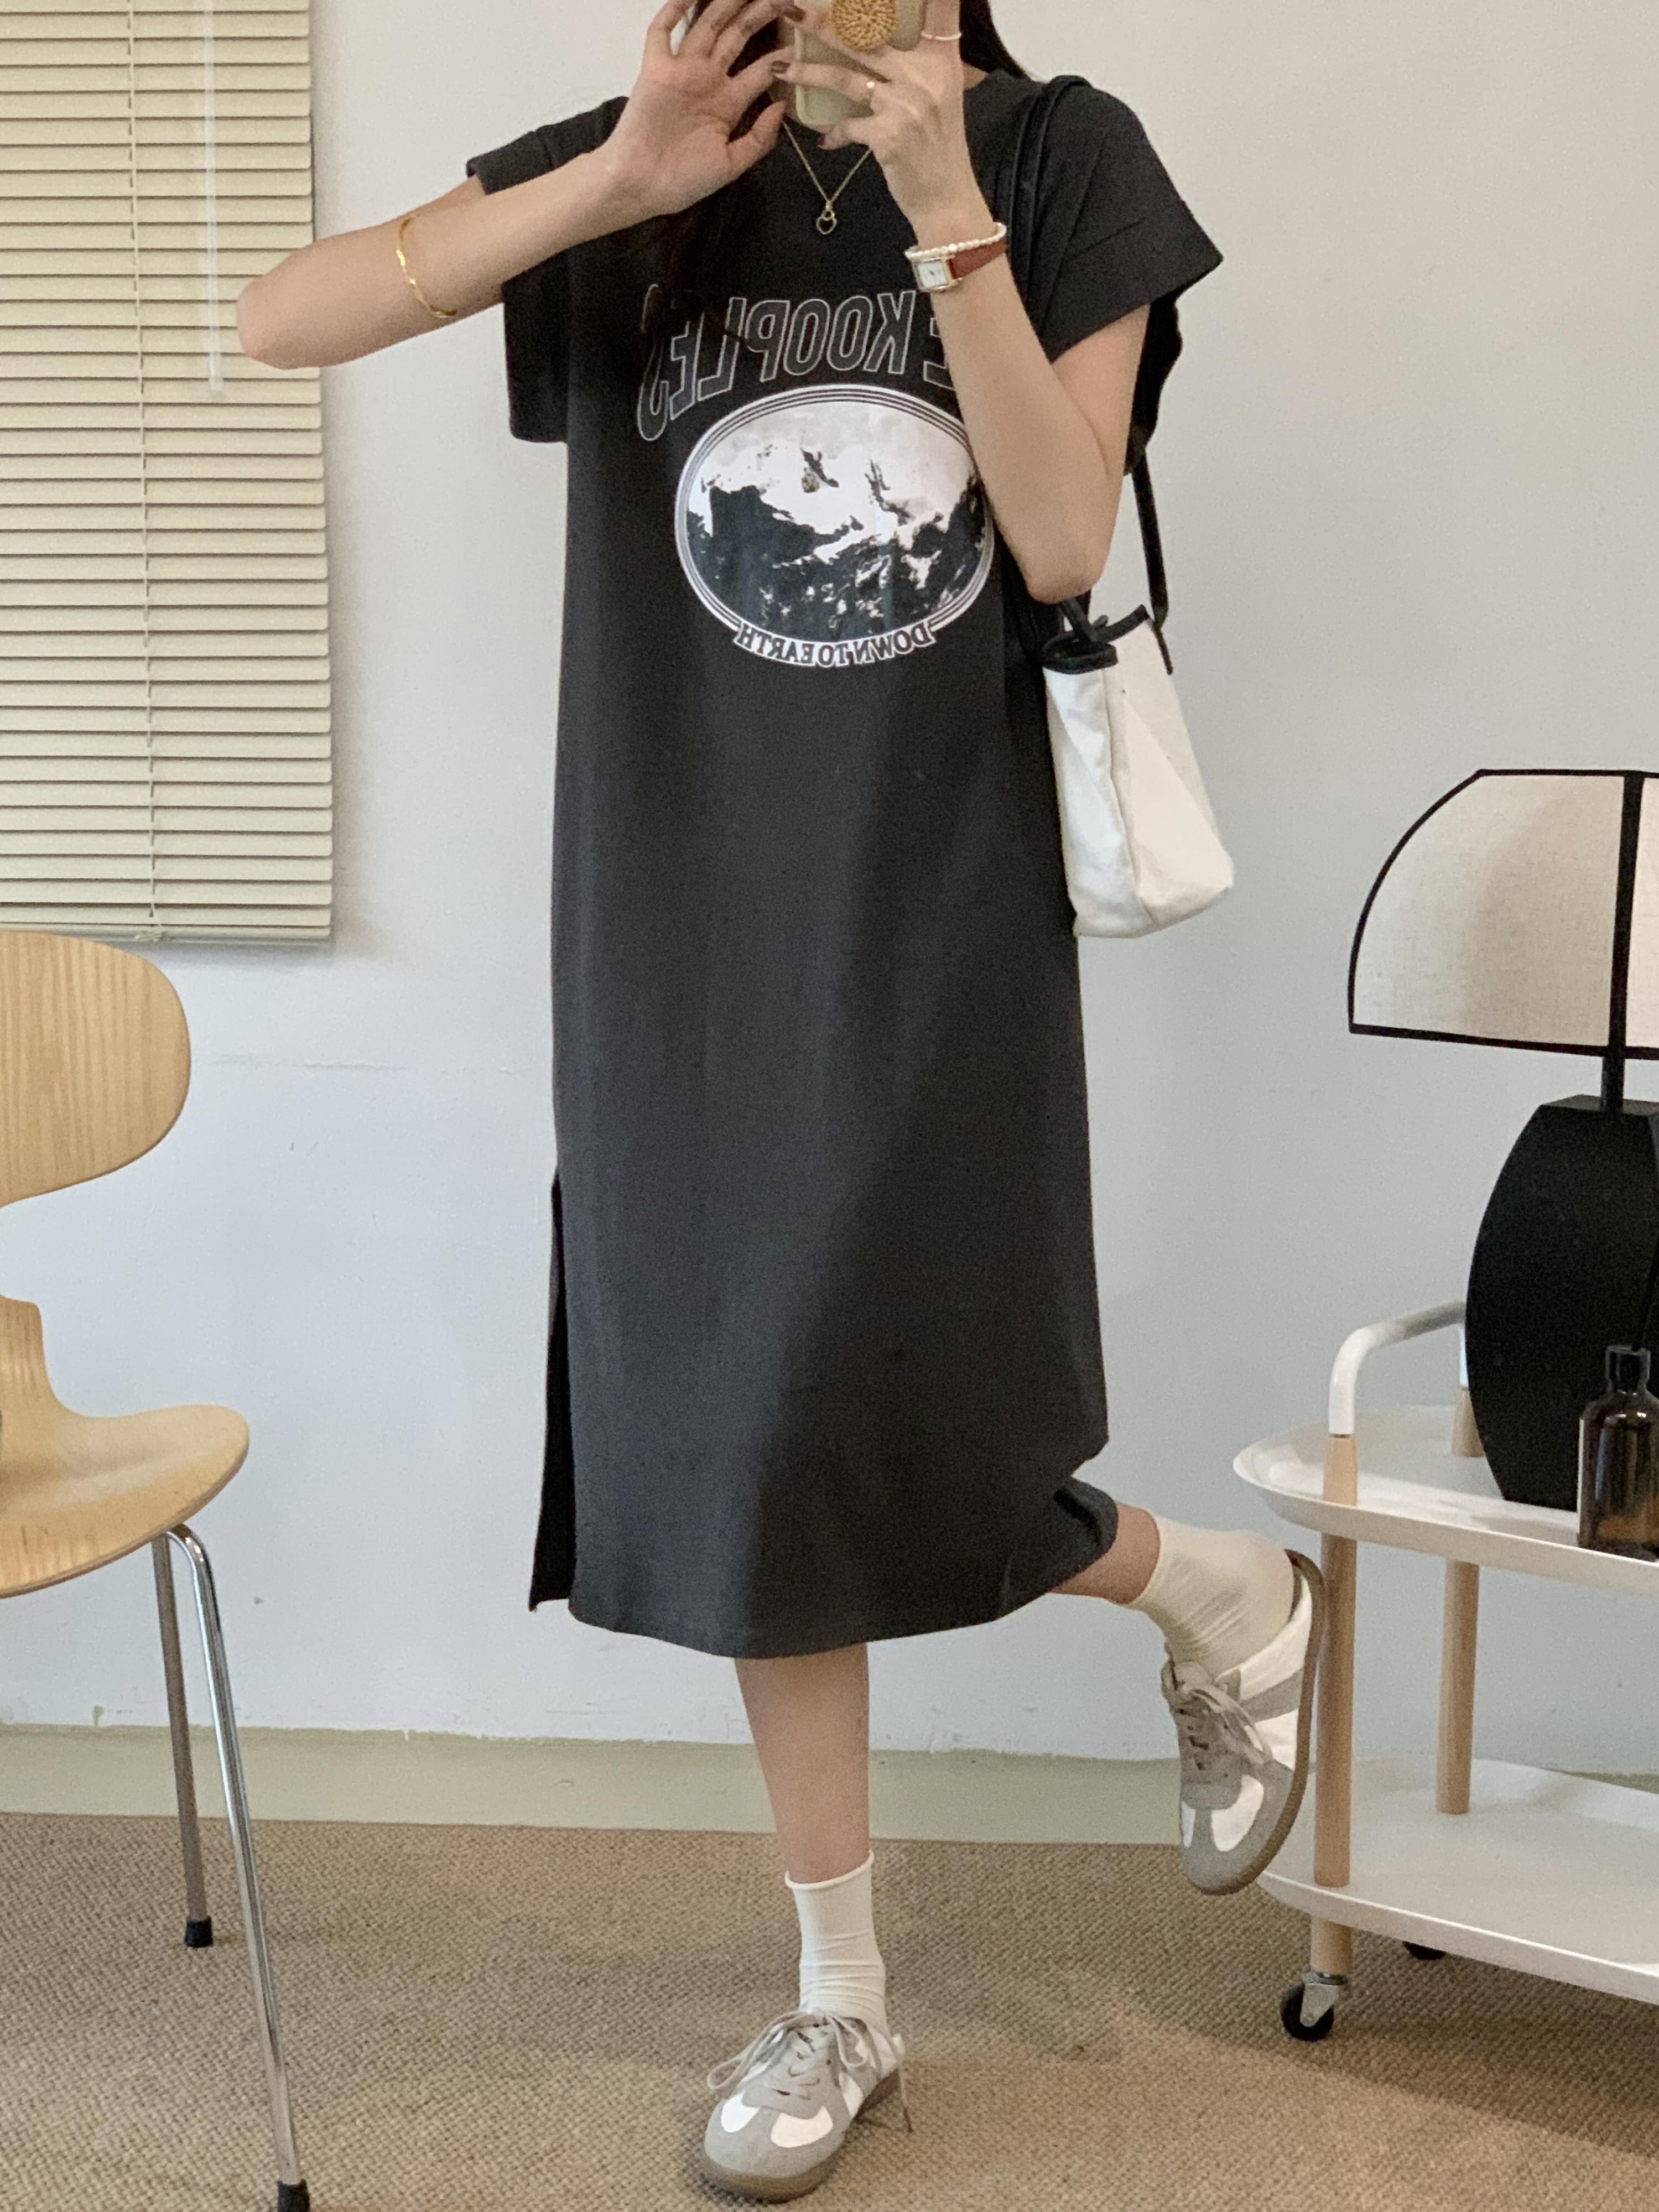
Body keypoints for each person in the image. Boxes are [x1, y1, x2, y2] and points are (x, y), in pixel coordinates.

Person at [242, 1, 1325, 2197]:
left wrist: (945, 212)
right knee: (735, 1423)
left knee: (863, 1378)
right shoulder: (656, 137)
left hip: (934, 895)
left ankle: (1201, 1594)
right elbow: (289, 315)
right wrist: (618, 182)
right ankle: (856, 1973)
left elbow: (1055, 541)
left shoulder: (1063, 151)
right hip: (669, 900)